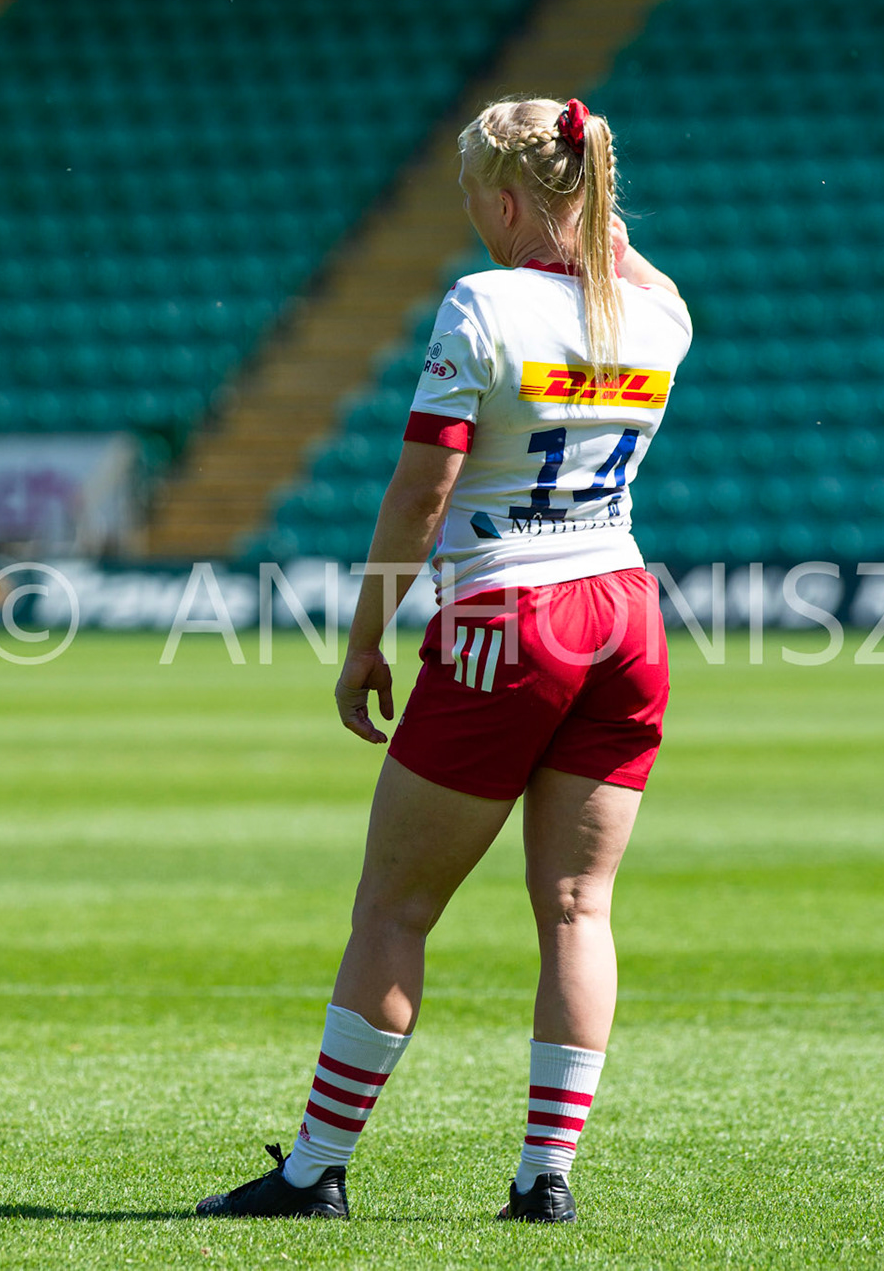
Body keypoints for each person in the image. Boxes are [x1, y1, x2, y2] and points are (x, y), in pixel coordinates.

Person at [196, 98, 690, 1224]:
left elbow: (422, 493)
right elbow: (624, 261)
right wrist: (592, 183)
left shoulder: (484, 304)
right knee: (578, 910)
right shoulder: (660, 316)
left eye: (474, 197)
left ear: (506, 200)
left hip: (507, 619)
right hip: (624, 613)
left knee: (395, 908)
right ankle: (545, 1176)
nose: (469, 219)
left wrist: (367, 632)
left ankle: (315, 1170)